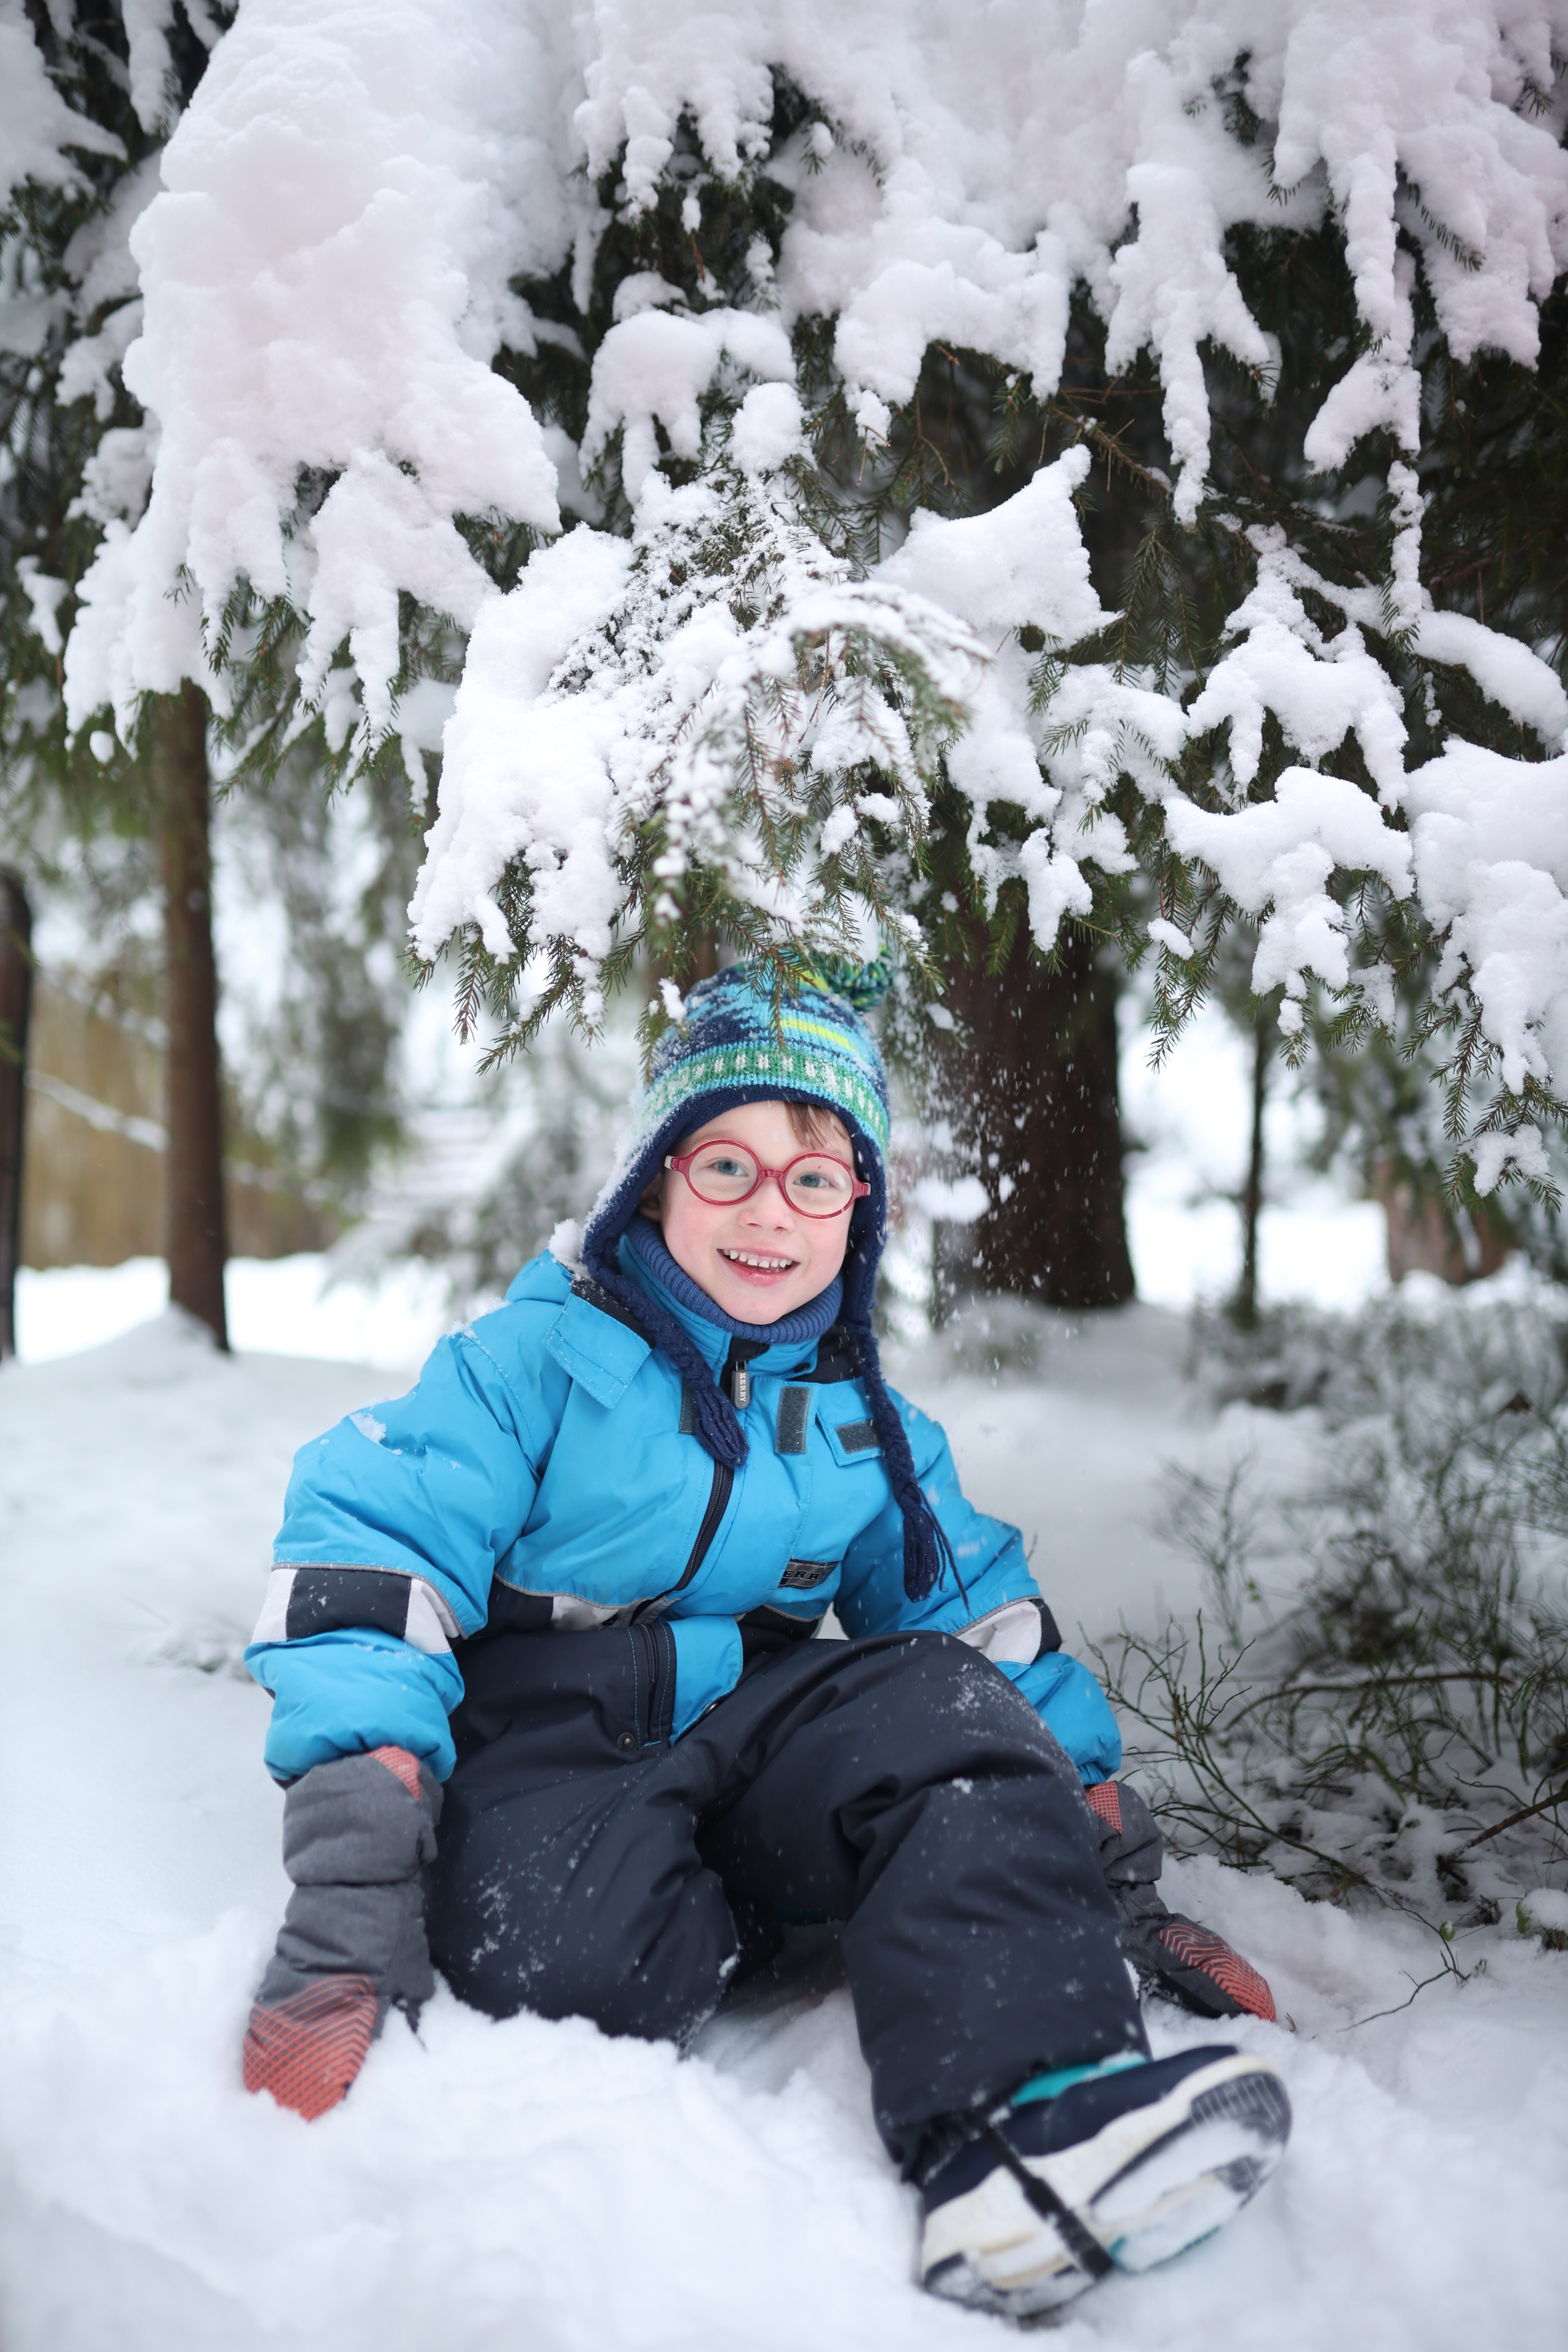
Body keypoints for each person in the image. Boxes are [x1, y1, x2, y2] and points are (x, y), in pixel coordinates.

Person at [241, 960, 1289, 2321]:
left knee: (942, 1700)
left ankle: (1027, 2115)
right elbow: (370, 1557)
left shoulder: (863, 1422)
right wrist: (346, 1901)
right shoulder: (530, 1368)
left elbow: (978, 1621)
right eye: (726, 1166)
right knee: (559, 1970)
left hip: (750, 1733)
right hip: (553, 1755)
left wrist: (1110, 1873)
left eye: (812, 1180)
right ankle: (740, 1914)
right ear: (654, 1181)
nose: (766, 1215)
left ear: (858, 1210)